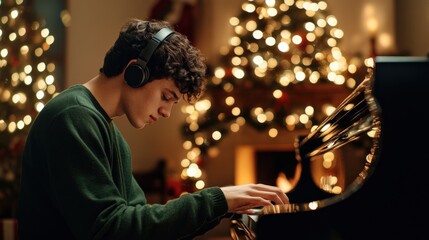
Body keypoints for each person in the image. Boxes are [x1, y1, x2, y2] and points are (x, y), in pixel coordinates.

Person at [17, 18, 289, 239]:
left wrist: (221, 206)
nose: (165, 112)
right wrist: (216, 200)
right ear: (136, 73)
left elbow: (139, 225)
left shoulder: (107, 131)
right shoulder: (72, 117)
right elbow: (110, 230)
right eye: (167, 96)